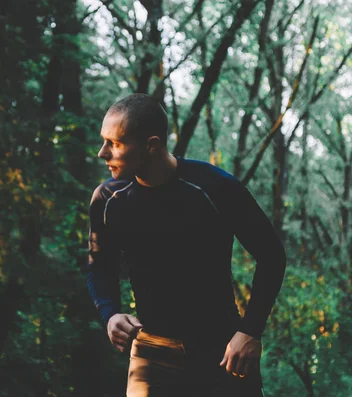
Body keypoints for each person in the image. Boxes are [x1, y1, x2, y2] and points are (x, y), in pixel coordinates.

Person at [86, 93, 286, 396]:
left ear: (151, 144)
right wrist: (110, 313)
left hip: (223, 352)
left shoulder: (215, 187)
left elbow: (272, 256)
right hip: (150, 355)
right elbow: (99, 266)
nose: (102, 153)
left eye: (114, 143)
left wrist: (250, 331)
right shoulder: (108, 200)